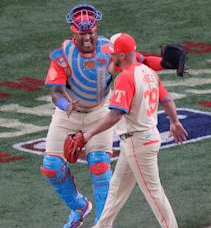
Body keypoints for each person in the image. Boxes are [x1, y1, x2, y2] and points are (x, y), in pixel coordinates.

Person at [40, 4, 169, 228]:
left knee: (99, 165)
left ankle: (101, 225)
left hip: (100, 110)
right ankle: (80, 207)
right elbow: (55, 91)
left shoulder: (108, 49)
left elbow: (140, 61)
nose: (88, 37)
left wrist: (166, 63)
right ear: (74, 32)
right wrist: (65, 104)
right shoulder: (63, 55)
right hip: (67, 113)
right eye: (82, 33)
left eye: (91, 31)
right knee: (51, 166)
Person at [74, 33, 188, 228]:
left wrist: (87, 135)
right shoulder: (148, 72)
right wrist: (174, 122)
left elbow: (115, 115)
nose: (110, 57)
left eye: (113, 54)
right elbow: (167, 99)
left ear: (122, 55)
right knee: (116, 189)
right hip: (139, 140)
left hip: (138, 143)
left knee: (153, 193)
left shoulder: (126, 77)